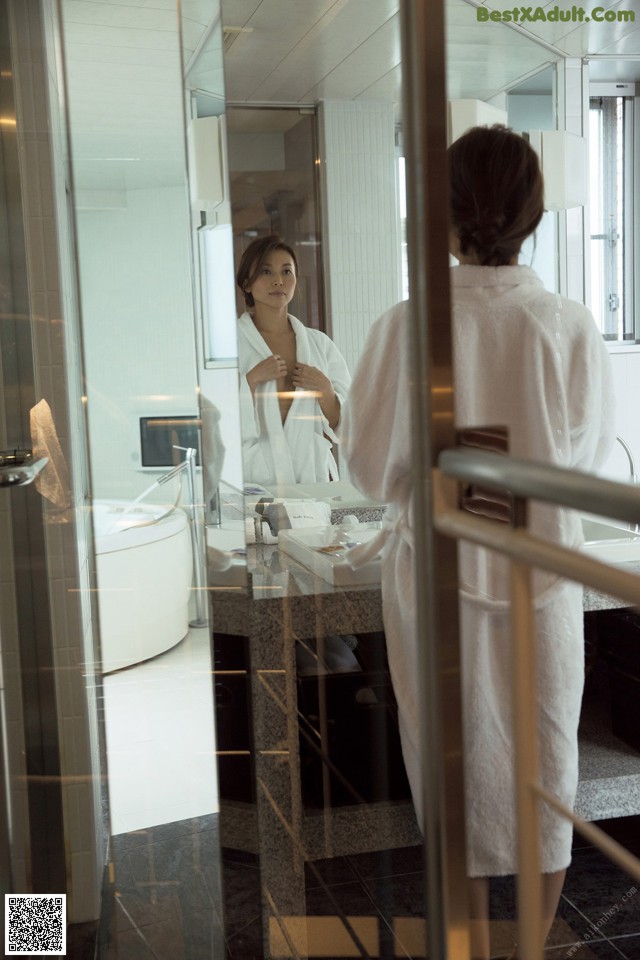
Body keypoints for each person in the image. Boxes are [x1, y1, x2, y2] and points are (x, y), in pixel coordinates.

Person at [340, 125, 615, 959]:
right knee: (546, 770)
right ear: (533, 214)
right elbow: (585, 460)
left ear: (441, 212)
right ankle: (529, 950)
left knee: (450, 773)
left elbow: (366, 465)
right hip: (540, 570)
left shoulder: (407, 325)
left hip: (438, 579)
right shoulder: (566, 323)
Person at [235, 235, 351, 487]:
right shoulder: (232, 346)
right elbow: (212, 419)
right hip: (257, 480)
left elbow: (349, 425)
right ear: (246, 283)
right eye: (266, 271)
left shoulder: (319, 345)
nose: (278, 280)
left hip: (313, 479)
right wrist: (250, 381)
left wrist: (326, 391)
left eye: (286, 271)